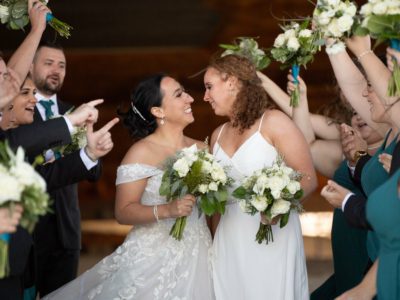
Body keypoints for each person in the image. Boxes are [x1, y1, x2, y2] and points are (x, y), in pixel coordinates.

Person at [42, 74, 214, 299]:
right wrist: (167, 210)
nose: (190, 99)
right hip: (152, 261)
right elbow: (123, 212)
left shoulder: (204, 149)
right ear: (158, 111)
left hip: (200, 254)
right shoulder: (140, 153)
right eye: (179, 94)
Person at [204, 54, 317, 300]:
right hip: (229, 240)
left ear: (232, 82)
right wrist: (213, 244)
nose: (206, 96)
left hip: (272, 234)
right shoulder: (217, 135)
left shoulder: (274, 122)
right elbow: (216, 204)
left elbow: (308, 178)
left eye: (209, 87)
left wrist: (279, 204)